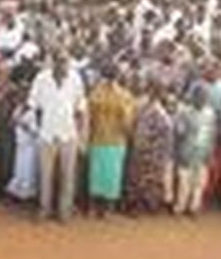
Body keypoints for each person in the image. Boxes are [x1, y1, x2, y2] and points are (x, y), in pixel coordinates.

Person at [29, 51, 87, 223]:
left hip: (68, 133)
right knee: (45, 175)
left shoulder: (76, 79)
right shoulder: (41, 79)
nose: (63, 65)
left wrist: (80, 133)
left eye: (65, 61)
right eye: (59, 61)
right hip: (47, 133)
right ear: (53, 62)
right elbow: (34, 105)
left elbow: (80, 108)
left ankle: (64, 211)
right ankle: (44, 210)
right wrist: (39, 129)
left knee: (67, 175)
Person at [85, 65, 135, 218]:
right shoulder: (123, 95)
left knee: (102, 175)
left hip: (105, 140)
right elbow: (127, 122)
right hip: (109, 141)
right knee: (107, 176)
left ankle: (98, 208)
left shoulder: (97, 94)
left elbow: (90, 117)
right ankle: (104, 209)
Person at [125, 81, 173, 215]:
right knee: (135, 178)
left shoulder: (162, 111)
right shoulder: (139, 105)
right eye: (153, 90)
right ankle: (133, 205)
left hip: (153, 151)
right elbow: (131, 124)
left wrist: (160, 150)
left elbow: (167, 133)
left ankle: (148, 203)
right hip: (138, 148)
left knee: (150, 179)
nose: (155, 93)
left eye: (158, 91)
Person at [174, 85, 217, 217]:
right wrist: (180, 152)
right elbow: (179, 134)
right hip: (187, 152)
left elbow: (212, 134)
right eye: (198, 96)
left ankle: (194, 208)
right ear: (193, 97)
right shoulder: (185, 112)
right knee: (184, 183)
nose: (201, 99)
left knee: (199, 184)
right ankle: (180, 207)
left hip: (202, 152)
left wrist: (210, 154)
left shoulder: (210, 114)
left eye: (203, 96)